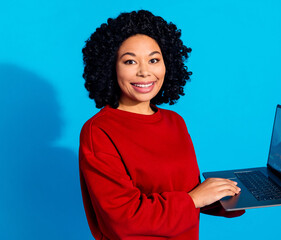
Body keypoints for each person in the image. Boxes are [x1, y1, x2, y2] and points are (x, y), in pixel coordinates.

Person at [79, 10, 245, 240]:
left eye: (154, 60)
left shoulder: (174, 122)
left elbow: (186, 193)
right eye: (130, 61)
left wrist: (234, 196)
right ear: (111, 67)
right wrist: (195, 199)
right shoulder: (98, 131)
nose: (145, 71)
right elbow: (123, 220)